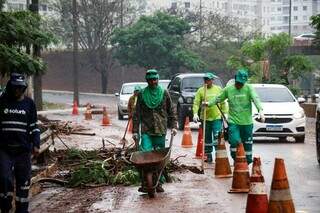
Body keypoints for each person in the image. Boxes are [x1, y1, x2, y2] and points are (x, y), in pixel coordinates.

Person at [0, 73, 40, 213]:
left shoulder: (29, 104)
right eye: (15, 87)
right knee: (4, 180)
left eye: (20, 88)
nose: (17, 90)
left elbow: (34, 126)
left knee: (23, 183)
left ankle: (22, 211)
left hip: (23, 151)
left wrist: (36, 143)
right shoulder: (2, 101)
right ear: (10, 87)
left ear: (24, 88)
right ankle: (5, 208)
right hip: (4, 150)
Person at [132, 69, 177, 193]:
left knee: (158, 158)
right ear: (147, 80)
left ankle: (159, 182)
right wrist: (135, 131)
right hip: (146, 130)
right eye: (151, 80)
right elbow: (137, 114)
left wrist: (174, 126)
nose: (153, 82)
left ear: (158, 79)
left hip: (160, 130)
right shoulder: (141, 94)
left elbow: (171, 111)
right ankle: (146, 181)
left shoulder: (164, 93)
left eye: (155, 79)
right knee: (145, 155)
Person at [207, 69, 264, 164]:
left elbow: (255, 98)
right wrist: (208, 103)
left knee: (247, 145)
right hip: (234, 122)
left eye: (242, 83)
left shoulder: (249, 88)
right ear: (235, 79)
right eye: (238, 82)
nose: (240, 85)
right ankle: (235, 159)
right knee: (234, 141)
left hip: (247, 123)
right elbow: (218, 98)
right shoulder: (229, 89)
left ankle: (247, 162)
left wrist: (260, 110)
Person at [192, 72, 228, 163]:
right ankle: (208, 155)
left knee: (217, 137)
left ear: (212, 80)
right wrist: (195, 113)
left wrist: (225, 114)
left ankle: (218, 155)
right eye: (205, 79)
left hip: (216, 117)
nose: (206, 81)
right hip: (205, 118)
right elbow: (196, 103)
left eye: (208, 79)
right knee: (207, 138)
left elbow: (223, 102)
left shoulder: (218, 89)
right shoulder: (201, 90)